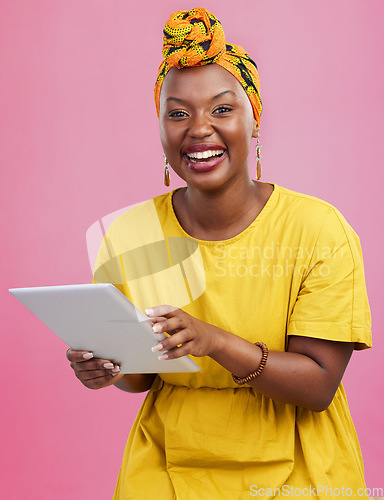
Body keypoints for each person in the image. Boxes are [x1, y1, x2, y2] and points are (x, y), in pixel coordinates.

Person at [66, 7, 372, 499]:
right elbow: (142, 375)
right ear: (161, 127)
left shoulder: (318, 230)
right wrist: (109, 367)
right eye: (178, 113)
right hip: (166, 471)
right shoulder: (132, 233)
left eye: (222, 109)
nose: (200, 129)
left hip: (299, 471)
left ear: (254, 119)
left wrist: (214, 342)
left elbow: (319, 386)